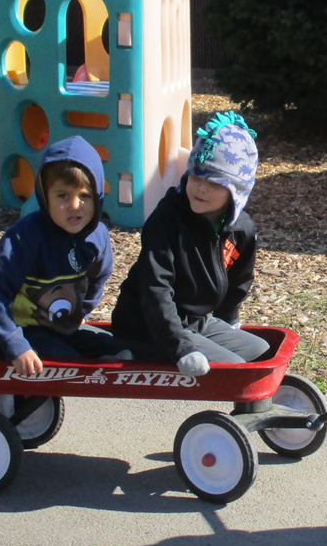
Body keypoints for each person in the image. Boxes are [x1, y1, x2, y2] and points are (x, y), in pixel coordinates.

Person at [111, 111, 268, 375]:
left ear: (236, 192)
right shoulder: (167, 220)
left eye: (213, 182)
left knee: (260, 352)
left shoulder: (242, 229)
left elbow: (240, 280)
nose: (201, 188)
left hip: (196, 321)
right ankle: (130, 348)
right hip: (147, 325)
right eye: (196, 177)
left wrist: (227, 321)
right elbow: (155, 289)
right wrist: (181, 348)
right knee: (233, 369)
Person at [0, 136, 121, 373]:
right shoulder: (26, 237)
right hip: (23, 329)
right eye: (62, 196)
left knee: (115, 348)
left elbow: (99, 276)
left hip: (62, 326)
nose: (75, 205)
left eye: (84, 196)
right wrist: (14, 343)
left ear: (97, 197)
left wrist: (82, 310)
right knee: (69, 363)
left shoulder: (97, 237)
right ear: (45, 196)